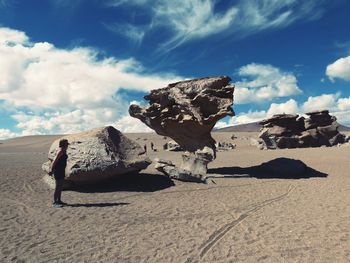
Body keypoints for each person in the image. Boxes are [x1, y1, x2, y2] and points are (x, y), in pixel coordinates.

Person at [50, 139, 69, 208]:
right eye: (67, 144)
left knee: (60, 186)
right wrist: (51, 169)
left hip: (61, 170)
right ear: (64, 144)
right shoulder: (60, 151)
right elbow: (55, 160)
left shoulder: (63, 150)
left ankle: (59, 200)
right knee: (58, 186)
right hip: (58, 170)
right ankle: (55, 202)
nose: (67, 145)